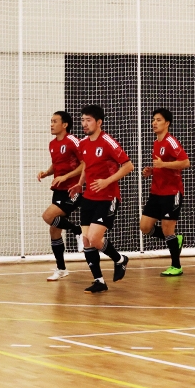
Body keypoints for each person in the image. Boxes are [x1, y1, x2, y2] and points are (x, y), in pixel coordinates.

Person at [68, 105, 134, 293]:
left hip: (107, 197)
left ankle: (120, 259)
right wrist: (80, 183)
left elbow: (129, 166)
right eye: (82, 120)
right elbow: (87, 165)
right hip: (89, 197)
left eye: (88, 120)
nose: (84, 123)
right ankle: (99, 281)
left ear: (99, 122)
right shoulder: (83, 143)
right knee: (87, 241)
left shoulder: (108, 142)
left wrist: (107, 181)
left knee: (95, 238)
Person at [140, 108, 190, 276]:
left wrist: (163, 165)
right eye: (153, 119)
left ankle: (176, 266)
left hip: (171, 192)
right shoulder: (156, 143)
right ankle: (176, 241)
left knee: (168, 229)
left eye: (159, 120)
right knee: (145, 227)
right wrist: (151, 171)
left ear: (167, 123)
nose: (154, 123)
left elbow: (185, 162)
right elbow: (161, 166)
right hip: (156, 192)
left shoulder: (171, 142)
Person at [37, 111, 84, 281]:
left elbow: (85, 164)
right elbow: (57, 165)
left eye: (55, 121)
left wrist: (66, 177)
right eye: (51, 121)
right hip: (58, 189)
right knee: (54, 230)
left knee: (48, 216)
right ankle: (61, 269)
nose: (51, 124)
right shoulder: (52, 144)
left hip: (73, 189)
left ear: (65, 125)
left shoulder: (72, 141)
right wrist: (47, 172)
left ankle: (77, 230)